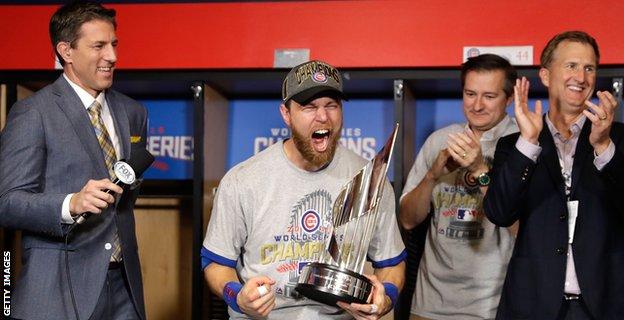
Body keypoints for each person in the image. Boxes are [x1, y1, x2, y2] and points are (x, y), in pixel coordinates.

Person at [201, 60, 406, 319]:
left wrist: (385, 297)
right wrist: (237, 296)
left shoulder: (370, 179)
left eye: (331, 105)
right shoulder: (244, 180)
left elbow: (392, 263)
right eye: (309, 107)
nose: (323, 116)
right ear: (286, 114)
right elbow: (215, 262)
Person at [0, 2, 147, 319]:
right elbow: (7, 203)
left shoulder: (133, 113)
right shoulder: (32, 113)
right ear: (66, 51)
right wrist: (71, 203)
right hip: (57, 290)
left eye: (114, 44)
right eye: (99, 46)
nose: (112, 56)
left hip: (125, 285)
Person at [484, 31, 623, 319]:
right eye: (571, 66)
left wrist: (603, 147)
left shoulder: (617, 139)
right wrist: (528, 144)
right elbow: (499, 212)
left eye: (589, 68)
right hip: (532, 305)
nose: (581, 77)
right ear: (546, 76)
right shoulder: (514, 146)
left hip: (604, 305)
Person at [399, 54, 519, 320]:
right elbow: (407, 220)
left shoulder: (522, 144)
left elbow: (525, 231)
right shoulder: (439, 141)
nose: (477, 105)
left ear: (509, 99)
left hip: (494, 307)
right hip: (429, 305)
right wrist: (431, 176)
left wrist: (480, 170)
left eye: (489, 96)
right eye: (470, 94)